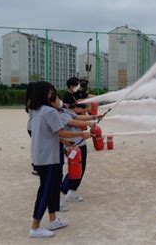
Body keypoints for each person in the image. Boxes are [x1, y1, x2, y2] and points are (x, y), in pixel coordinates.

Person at [26, 81, 91, 238]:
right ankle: (35, 227)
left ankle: (53, 220)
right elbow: (61, 132)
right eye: (49, 92)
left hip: (44, 156)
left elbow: (50, 133)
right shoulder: (49, 111)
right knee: (46, 191)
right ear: (43, 94)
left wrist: (63, 142)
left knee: (54, 189)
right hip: (48, 159)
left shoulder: (35, 111)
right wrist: (81, 135)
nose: (52, 94)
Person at [56, 100, 102, 205]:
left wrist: (94, 117)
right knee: (75, 169)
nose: (59, 101)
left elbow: (77, 117)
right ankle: (63, 193)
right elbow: (73, 122)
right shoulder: (57, 114)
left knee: (80, 169)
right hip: (73, 144)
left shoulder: (64, 111)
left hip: (80, 143)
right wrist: (89, 124)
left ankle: (71, 192)